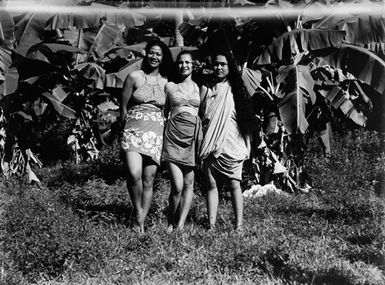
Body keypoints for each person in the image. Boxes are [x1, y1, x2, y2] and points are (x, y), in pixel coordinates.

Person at [199, 51, 258, 231]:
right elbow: (201, 117)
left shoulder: (237, 90)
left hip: (233, 141)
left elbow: (246, 120)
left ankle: (238, 225)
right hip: (210, 141)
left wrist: (248, 145)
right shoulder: (206, 89)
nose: (218, 67)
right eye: (216, 64)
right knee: (211, 184)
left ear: (229, 67)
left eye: (222, 64)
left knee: (234, 183)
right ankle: (211, 225)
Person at [120, 40, 173, 233]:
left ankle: (139, 223)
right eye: (151, 53)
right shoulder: (134, 76)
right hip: (133, 130)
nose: (154, 57)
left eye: (158, 54)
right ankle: (139, 211)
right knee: (134, 174)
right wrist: (124, 130)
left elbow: (167, 110)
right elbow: (123, 107)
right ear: (145, 54)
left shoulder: (166, 82)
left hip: (156, 132)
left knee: (149, 179)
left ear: (162, 57)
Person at [162, 51, 202, 230]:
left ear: (193, 65)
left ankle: (180, 224)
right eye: (180, 62)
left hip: (192, 137)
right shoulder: (170, 86)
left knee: (188, 184)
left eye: (187, 62)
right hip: (173, 136)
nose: (184, 65)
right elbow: (164, 114)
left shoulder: (200, 88)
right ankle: (171, 218)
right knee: (177, 186)